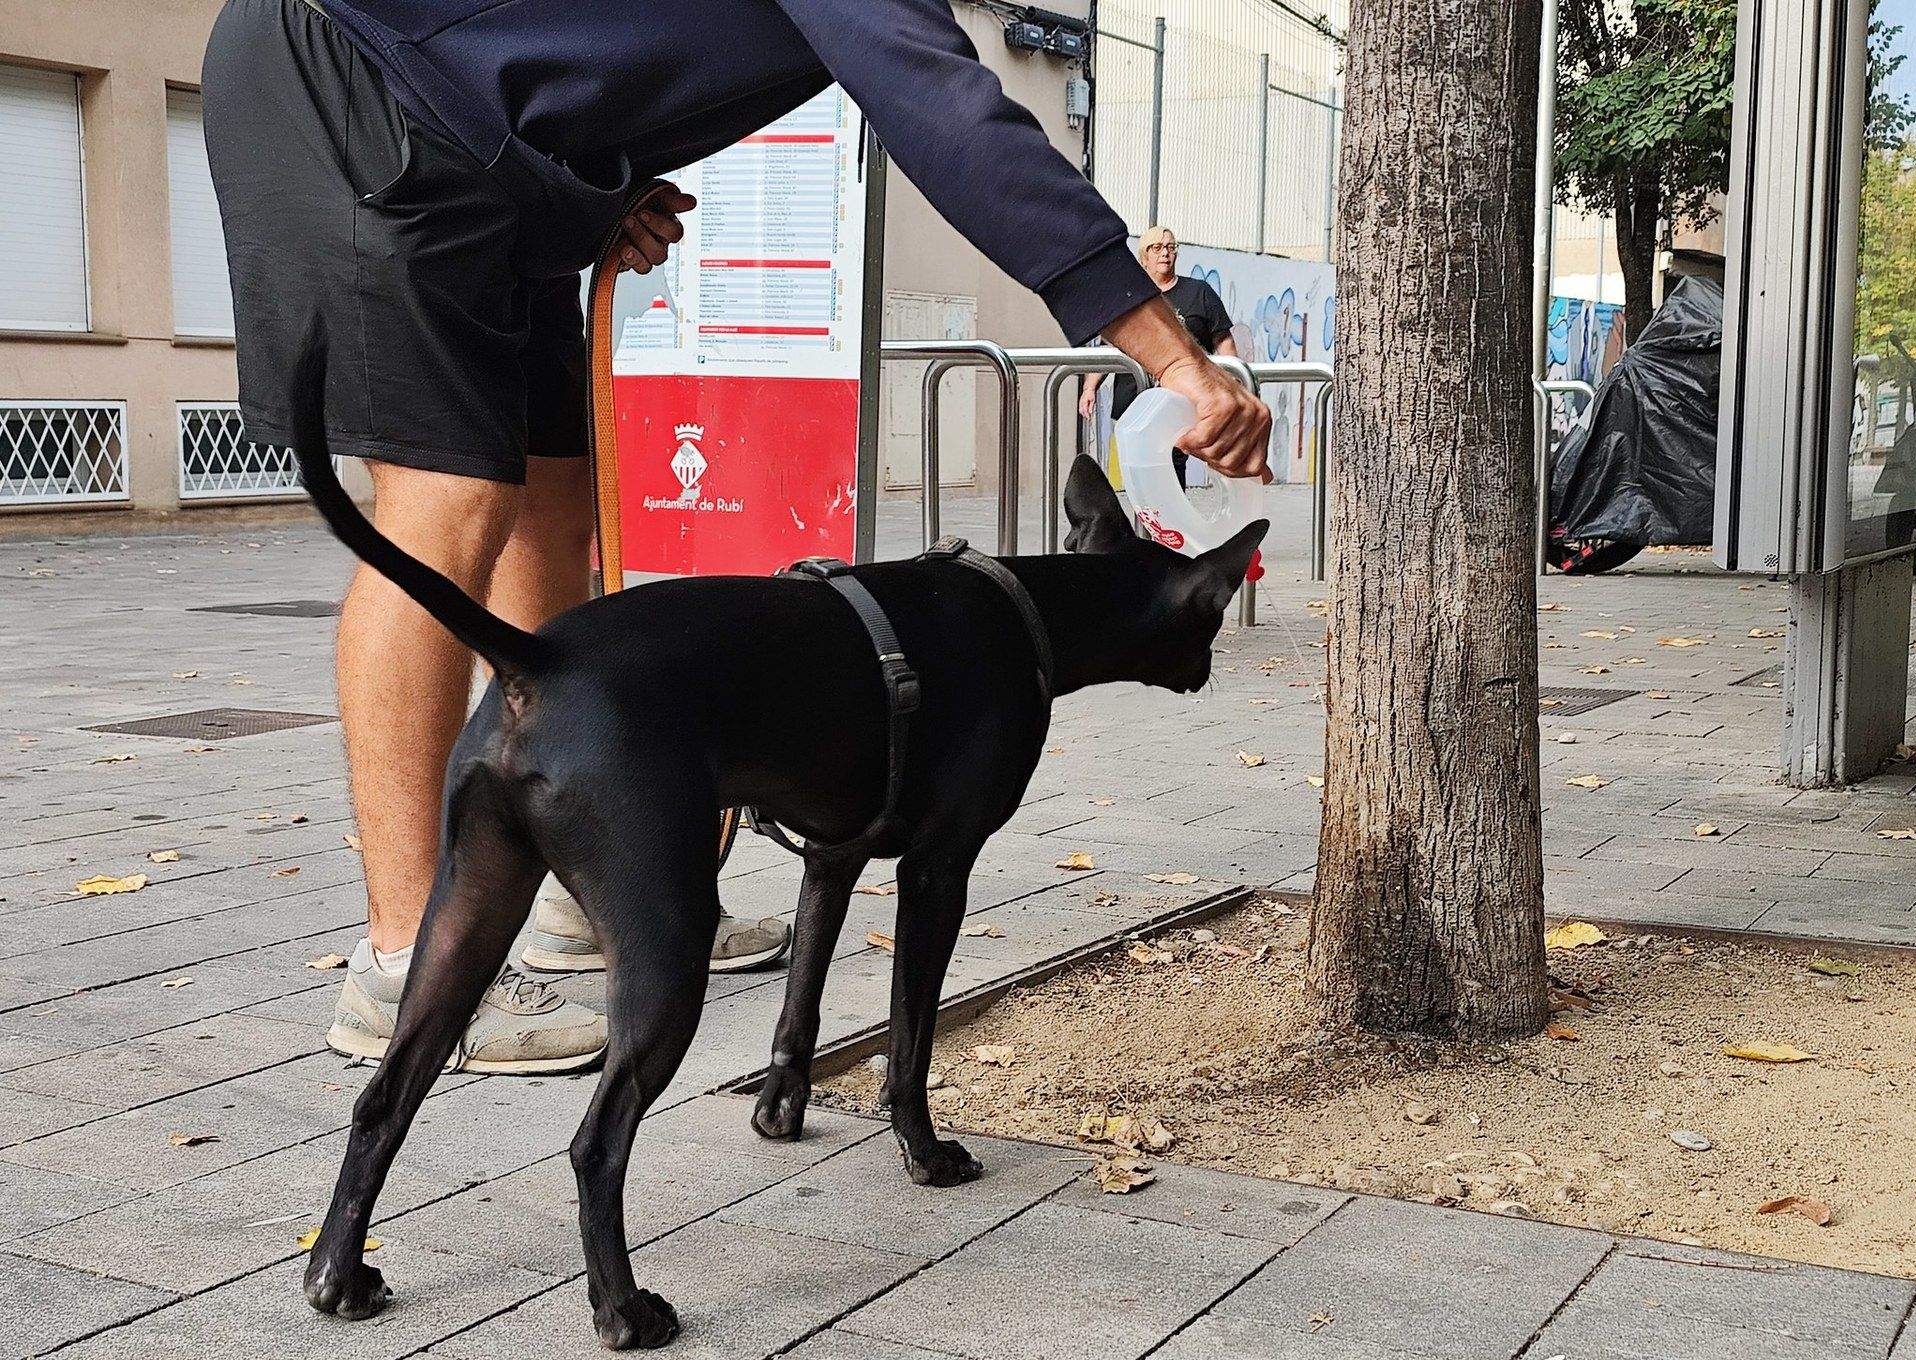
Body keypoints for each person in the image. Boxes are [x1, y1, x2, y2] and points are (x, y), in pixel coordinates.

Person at [202, 0, 1272, 1074]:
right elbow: (948, 111)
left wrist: (597, 180)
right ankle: (406, 969)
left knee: (555, 498)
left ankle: (586, 879)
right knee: (450, 501)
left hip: (495, 157)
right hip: (358, 82)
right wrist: (1173, 357)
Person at [1079, 227, 1240, 482]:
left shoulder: (1199, 293)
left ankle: (1172, 523)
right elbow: (1109, 348)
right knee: (1139, 474)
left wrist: (1233, 381)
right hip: (1135, 403)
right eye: (1157, 248)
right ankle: (1142, 523)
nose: (1165, 253)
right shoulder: (1128, 297)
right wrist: (1090, 388)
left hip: (1179, 402)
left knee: (1173, 470)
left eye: (1170, 247)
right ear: (1144, 258)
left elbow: (1223, 341)